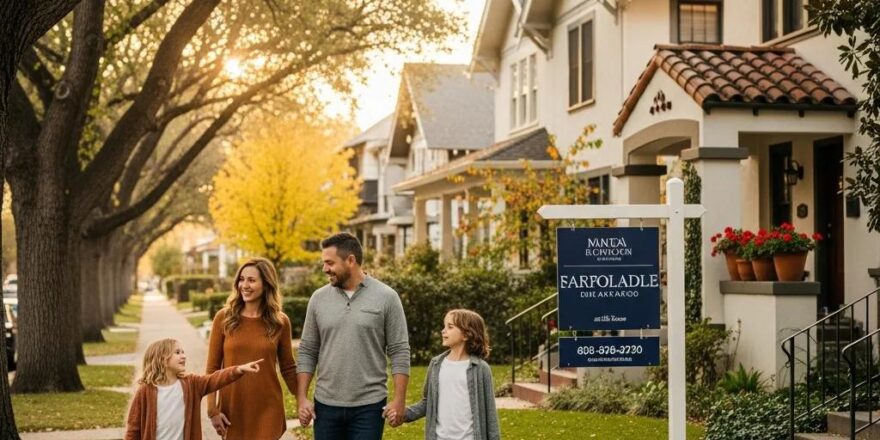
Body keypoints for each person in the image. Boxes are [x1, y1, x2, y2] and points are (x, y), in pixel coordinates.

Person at [296, 232, 411, 440]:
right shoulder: (318, 299)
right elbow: (307, 350)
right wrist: (302, 398)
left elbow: (399, 350)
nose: (325, 269)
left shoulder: (387, 297)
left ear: (351, 260)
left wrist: (399, 400)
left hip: (369, 407)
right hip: (326, 406)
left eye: (330, 263)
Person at [206, 258, 297, 440]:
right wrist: (212, 410)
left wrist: (302, 399)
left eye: (251, 280)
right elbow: (212, 369)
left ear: (266, 284)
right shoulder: (224, 318)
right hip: (233, 407)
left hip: (268, 406)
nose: (244, 285)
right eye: (241, 279)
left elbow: (288, 368)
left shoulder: (280, 322)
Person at [125, 338, 263, 440]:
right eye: (177, 352)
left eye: (183, 352)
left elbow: (214, 379)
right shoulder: (145, 391)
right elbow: (133, 428)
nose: (183, 356)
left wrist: (238, 369)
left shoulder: (191, 384)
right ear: (161, 359)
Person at [394, 309, 501, 440]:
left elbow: (490, 412)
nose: (443, 331)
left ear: (466, 335)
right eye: (444, 326)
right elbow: (427, 402)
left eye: (450, 327)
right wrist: (403, 413)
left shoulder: (481, 369)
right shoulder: (436, 365)